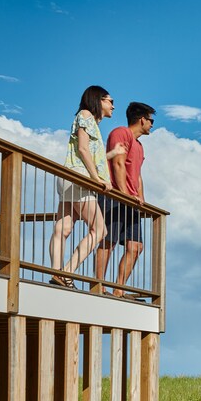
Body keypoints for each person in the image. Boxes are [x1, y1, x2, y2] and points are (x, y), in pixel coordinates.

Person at [49, 85, 125, 287]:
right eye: (110, 101)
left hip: (69, 176)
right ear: (98, 100)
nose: (113, 106)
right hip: (80, 179)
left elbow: (87, 153)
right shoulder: (85, 115)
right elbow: (83, 149)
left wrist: (111, 154)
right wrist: (97, 179)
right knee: (99, 230)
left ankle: (56, 272)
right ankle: (66, 272)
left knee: (63, 228)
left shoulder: (89, 122)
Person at [96, 102, 155, 297]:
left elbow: (137, 174)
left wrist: (141, 198)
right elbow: (117, 164)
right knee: (108, 241)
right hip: (114, 196)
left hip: (131, 201)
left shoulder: (139, 145)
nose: (152, 125)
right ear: (142, 120)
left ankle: (119, 290)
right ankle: (99, 286)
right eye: (151, 120)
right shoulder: (120, 133)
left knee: (136, 246)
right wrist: (123, 194)